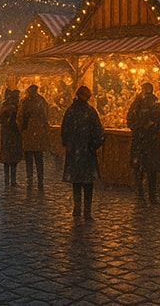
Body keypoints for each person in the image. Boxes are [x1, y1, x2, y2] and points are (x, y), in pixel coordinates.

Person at [61, 85, 105, 220]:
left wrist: (69, 144)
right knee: (88, 183)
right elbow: (99, 132)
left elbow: (64, 131)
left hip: (75, 151)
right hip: (87, 151)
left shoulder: (71, 111)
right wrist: (94, 145)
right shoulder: (90, 112)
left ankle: (77, 207)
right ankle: (87, 210)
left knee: (76, 182)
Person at [126, 82, 160, 204]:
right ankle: (152, 195)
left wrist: (138, 128)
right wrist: (153, 126)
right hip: (151, 142)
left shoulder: (136, 104)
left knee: (139, 169)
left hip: (139, 141)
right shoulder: (157, 105)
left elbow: (129, 122)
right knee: (151, 170)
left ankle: (140, 194)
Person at [18, 83, 51, 191]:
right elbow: (46, 115)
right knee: (38, 157)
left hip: (29, 132)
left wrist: (22, 128)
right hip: (37, 132)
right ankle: (39, 179)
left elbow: (20, 116)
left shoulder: (26, 101)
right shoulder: (41, 101)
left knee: (30, 158)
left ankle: (30, 178)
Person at [0, 88, 23, 187]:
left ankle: (9, 179)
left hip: (8, 135)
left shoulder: (8, 106)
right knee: (11, 159)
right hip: (11, 134)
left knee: (9, 159)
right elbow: (2, 120)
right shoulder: (11, 108)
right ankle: (11, 179)